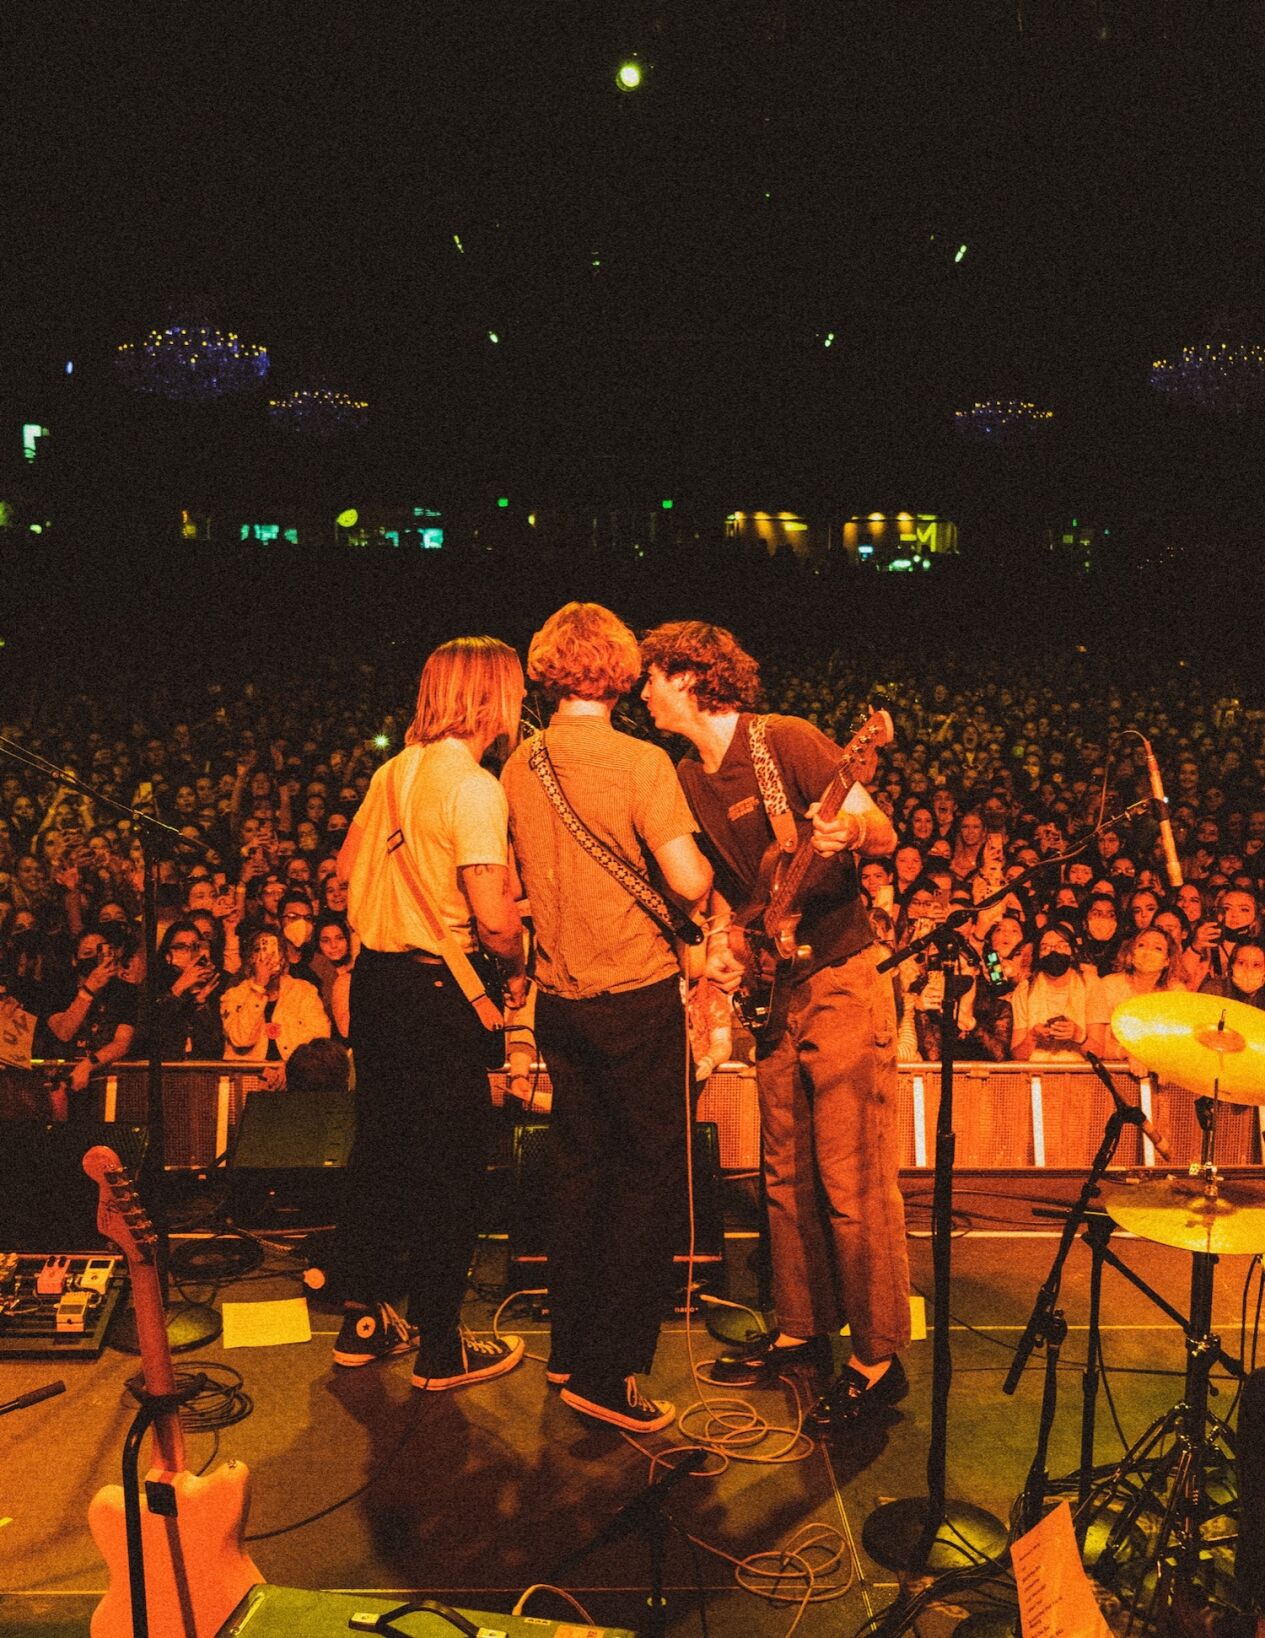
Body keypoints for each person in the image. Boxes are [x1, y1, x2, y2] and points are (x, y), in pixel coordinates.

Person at [640, 620, 911, 1430]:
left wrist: (846, 829)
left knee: (850, 1179)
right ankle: (801, 1330)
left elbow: (879, 829)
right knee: (784, 1175)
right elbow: (729, 890)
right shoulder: (687, 776)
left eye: (651, 678)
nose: (642, 694)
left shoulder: (783, 742)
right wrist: (725, 945)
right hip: (777, 988)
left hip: (840, 977)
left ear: (690, 677)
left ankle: (877, 1357)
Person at [502, 603, 713, 1434]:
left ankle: (567, 1347)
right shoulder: (640, 762)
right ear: (620, 672)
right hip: (634, 993)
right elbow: (689, 882)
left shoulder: (522, 763)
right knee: (646, 1179)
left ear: (549, 668)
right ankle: (609, 1369)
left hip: (559, 999)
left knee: (578, 1173)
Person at [330, 636, 528, 1395]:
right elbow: (495, 919)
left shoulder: (392, 771)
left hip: (377, 984)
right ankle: (442, 1346)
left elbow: (347, 868)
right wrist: (510, 963)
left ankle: (365, 1321)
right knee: (449, 1168)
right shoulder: (474, 787)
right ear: (489, 697)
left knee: (382, 1153)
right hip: (439, 993)